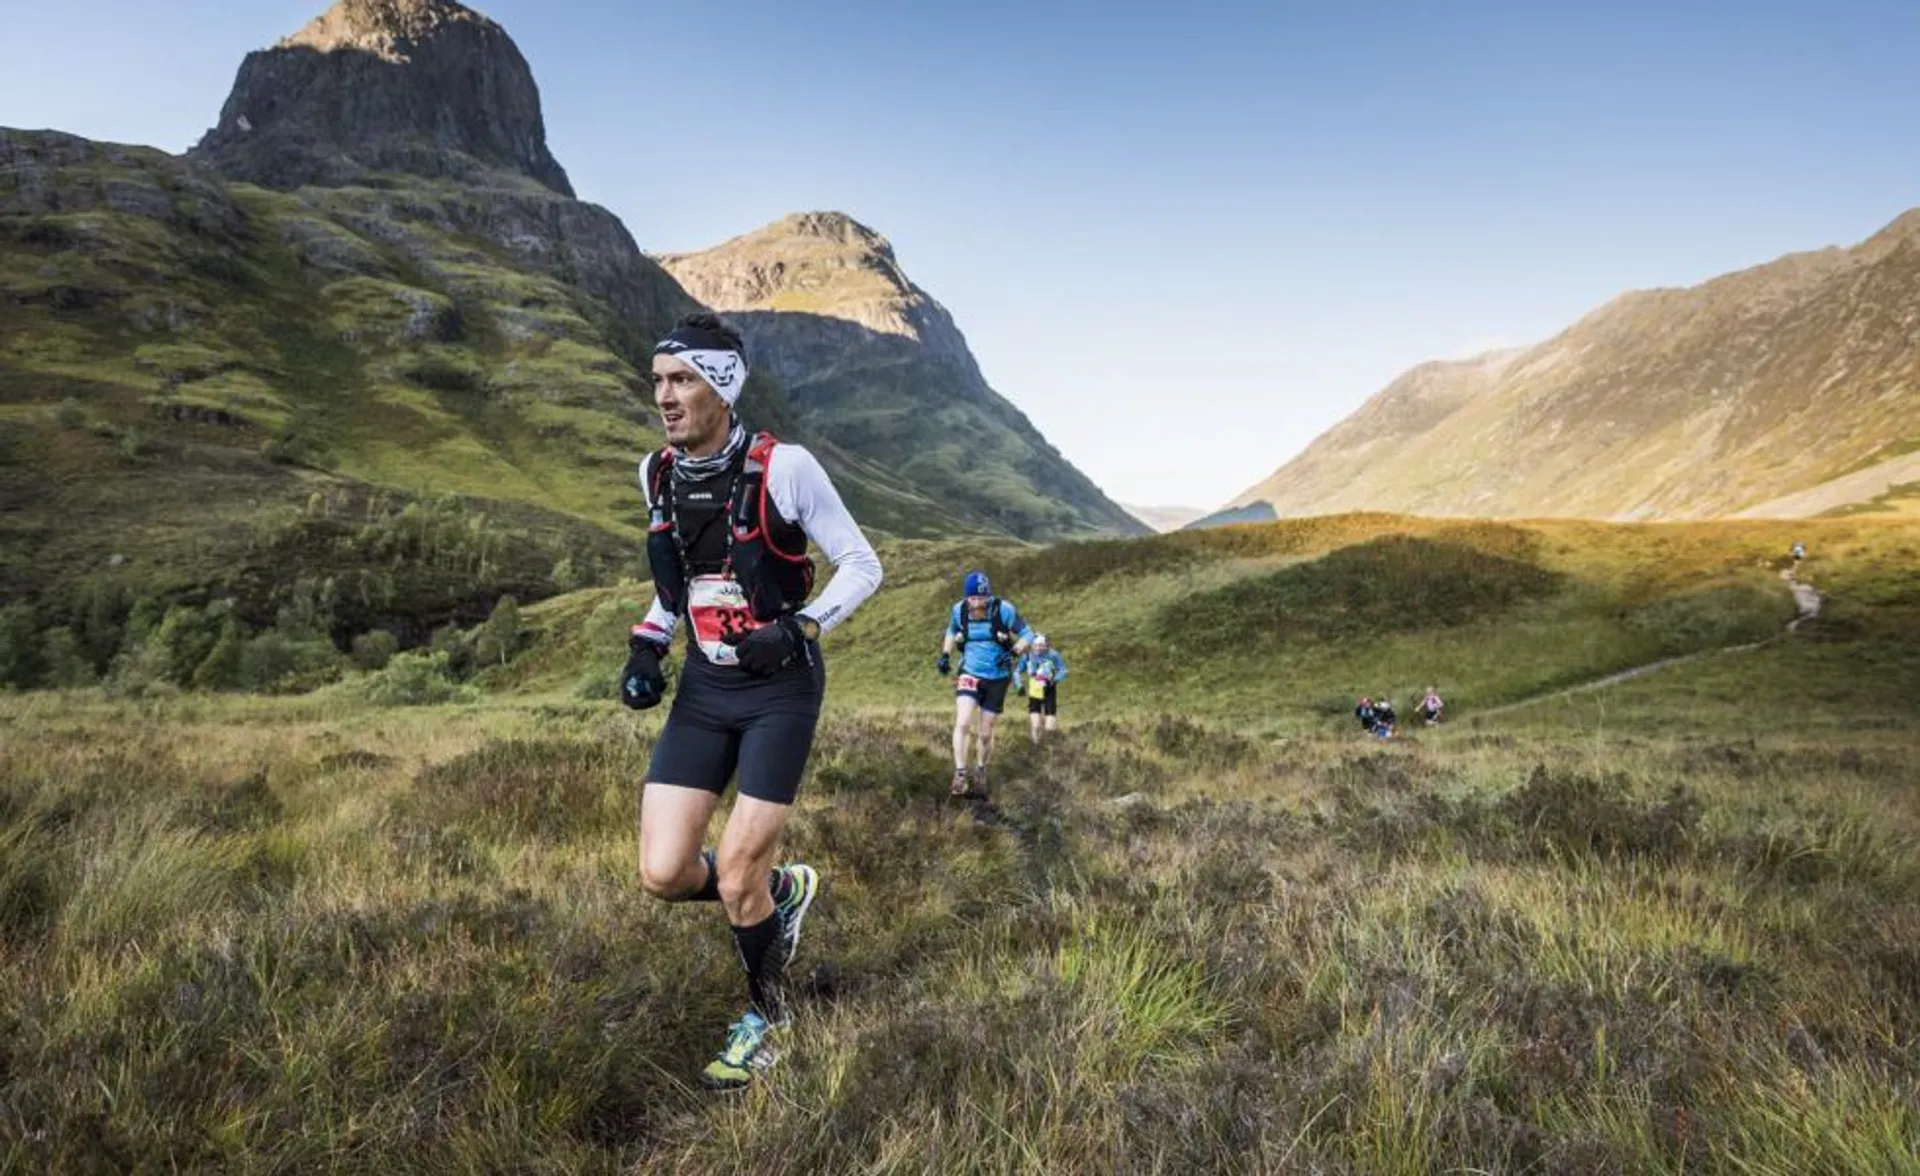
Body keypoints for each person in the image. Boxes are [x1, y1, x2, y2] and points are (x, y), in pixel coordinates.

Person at [622, 312, 883, 1091]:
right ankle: (782, 894)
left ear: (722, 385)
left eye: (682, 380)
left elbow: (862, 566)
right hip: (705, 691)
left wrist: (800, 626)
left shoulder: (786, 468)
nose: (666, 397)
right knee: (664, 873)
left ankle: (767, 1019)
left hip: (780, 692)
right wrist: (647, 641)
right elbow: (681, 585)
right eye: (659, 382)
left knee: (737, 872)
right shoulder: (656, 473)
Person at [936, 571, 1032, 796]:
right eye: (973, 598)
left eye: (982, 598)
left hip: (997, 677)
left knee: (986, 733)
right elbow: (951, 631)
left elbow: (1028, 635)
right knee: (962, 722)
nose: (977, 603)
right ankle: (960, 773)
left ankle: (981, 769)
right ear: (967, 597)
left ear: (989, 595)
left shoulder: (1004, 610)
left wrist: (1013, 651)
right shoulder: (959, 610)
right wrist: (945, 655)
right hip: (969, 672)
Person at [1013, 633, 1068, 744]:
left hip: (1049, 691)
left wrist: (1055, 680)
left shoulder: (1053, 655)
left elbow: (1063, 670)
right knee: (1036, 726)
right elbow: (1017, 671)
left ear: (1046, 646)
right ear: (1032, 645)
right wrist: (1019, 686)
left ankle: (1051, 747)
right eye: (1036, 645)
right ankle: (1036, 748)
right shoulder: (1027, 656)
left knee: (1049, 728)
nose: (1038, 648)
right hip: (1034, 691)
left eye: (1041, 645)